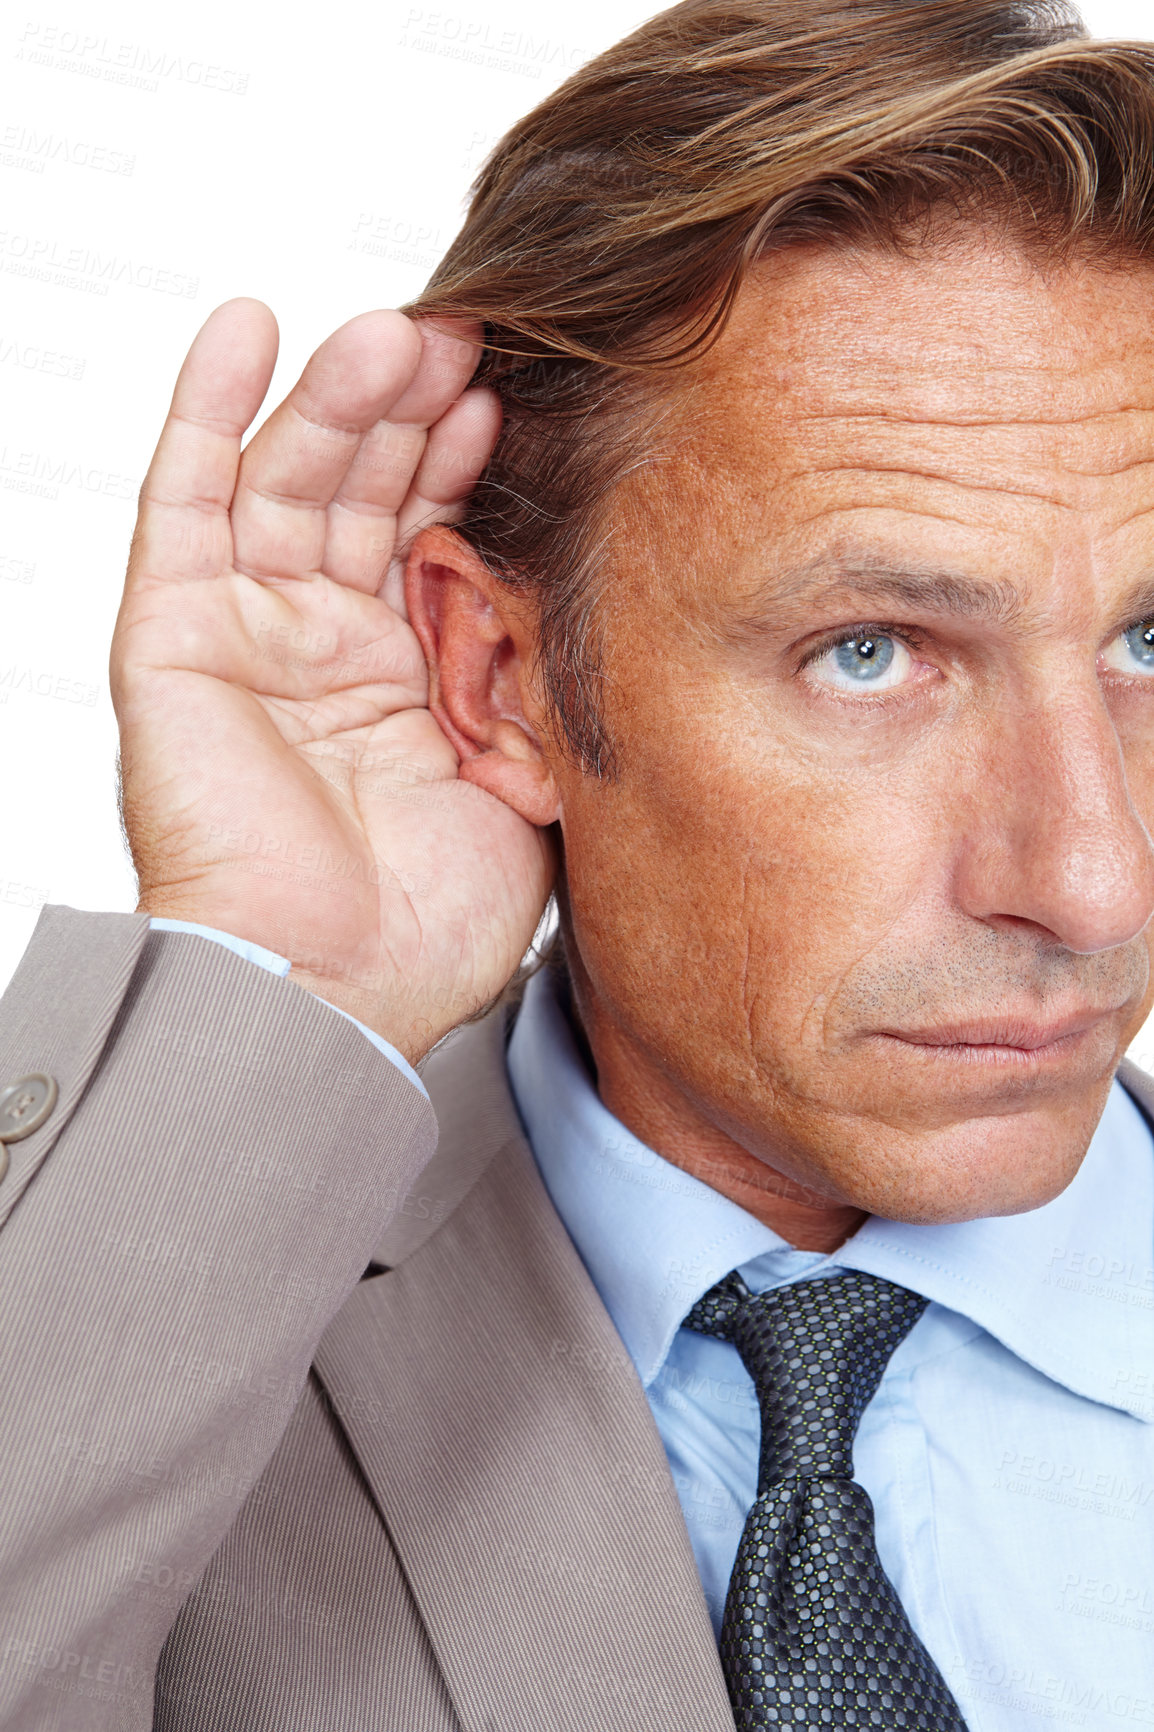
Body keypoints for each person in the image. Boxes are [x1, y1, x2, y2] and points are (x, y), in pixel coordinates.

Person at [2, 0, 1153, 1726]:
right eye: (869, 650)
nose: (1091, 881)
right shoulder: (153, 1345)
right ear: (498, 679)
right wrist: (291, 994)